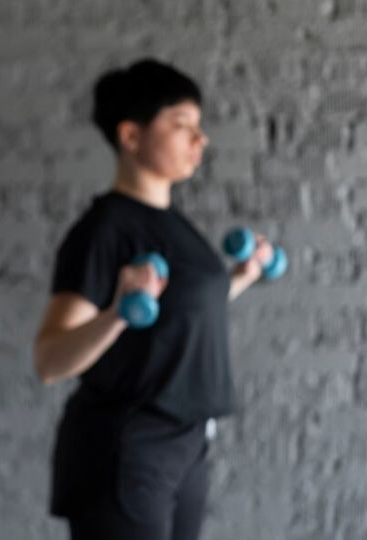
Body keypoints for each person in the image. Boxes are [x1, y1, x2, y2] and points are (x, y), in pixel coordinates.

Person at [32, 58, 271, 540]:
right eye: (181, 126)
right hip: (129, 448)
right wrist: (119, 313)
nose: (199, 140)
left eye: (199, 127)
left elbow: (182, 310)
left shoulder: (174, 225)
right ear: (131, 136)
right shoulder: (105, 230)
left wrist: (240, 278)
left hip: (187, 442)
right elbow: (50, 359)